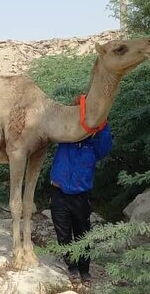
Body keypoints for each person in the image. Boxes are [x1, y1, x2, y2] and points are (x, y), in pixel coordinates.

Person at [49, 122, 112, 288]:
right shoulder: (65, 140)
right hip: (59, 194)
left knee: (83, 234)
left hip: (81, 197)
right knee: (63, 236)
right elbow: (56, 126)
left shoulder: (93, 147)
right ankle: (72, 268)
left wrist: (103, 123)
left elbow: (105, 146)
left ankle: (85, 270)